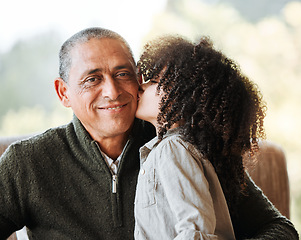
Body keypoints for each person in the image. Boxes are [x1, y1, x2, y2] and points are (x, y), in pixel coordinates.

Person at [0, 27, 298, 239]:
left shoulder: (188, 146)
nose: (112, 91)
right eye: (93, 78)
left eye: (123, 74)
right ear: (63, 93)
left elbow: (280, 229)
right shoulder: (26, 162)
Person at [134, 35, 266, 239]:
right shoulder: (172, 149)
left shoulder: (173, 150)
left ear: (181, 96)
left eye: (154, 81)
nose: (141, 86)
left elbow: (194, 231)